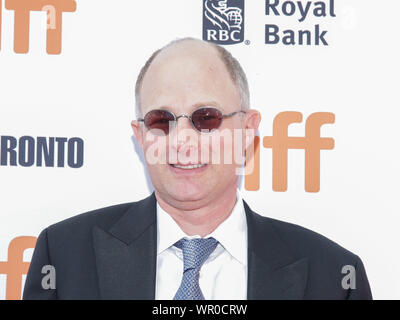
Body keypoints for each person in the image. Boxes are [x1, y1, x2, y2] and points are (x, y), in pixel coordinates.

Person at [23, 37, 372, 300]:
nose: (183, 140)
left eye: (207, 118)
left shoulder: (333, 277)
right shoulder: (65, 255)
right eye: (161, 120)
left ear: (248, 130)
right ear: (141, 135)